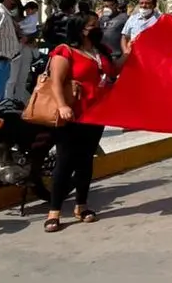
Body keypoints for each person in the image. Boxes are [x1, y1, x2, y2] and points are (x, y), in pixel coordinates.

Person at [44, 12, 126, 232]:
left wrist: (127, 52)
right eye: (92, 25)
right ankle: (54, 212)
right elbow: (56, 82)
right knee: (65, 161)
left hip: (96, 114)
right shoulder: (65, 51)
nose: (97, 28)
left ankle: (82, 206)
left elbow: (114, 70)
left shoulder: (102, 52)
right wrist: (63, 106)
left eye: (97, 24)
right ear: (80, 28)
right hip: (72, 114)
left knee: (85, 161)